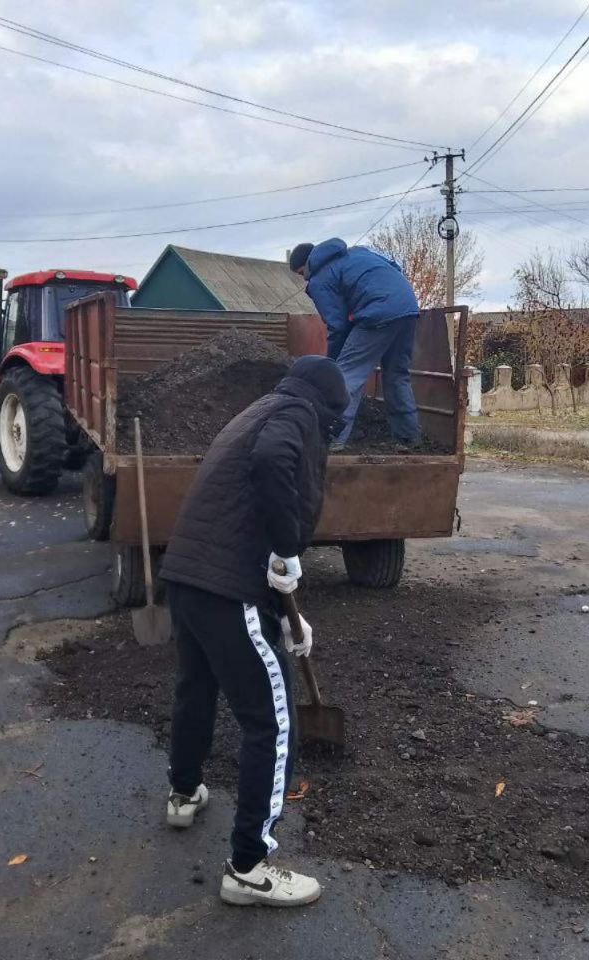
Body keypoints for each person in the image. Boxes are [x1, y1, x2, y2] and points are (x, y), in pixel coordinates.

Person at [159, 355, 349, 908]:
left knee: (196, 690)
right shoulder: (297, 416)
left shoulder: (258, 410)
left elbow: (243, 510)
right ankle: (248, 867)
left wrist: (289, 614)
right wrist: (288, 550)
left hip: (188, 577)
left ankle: (184, 793)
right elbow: (272, 463)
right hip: (226, 589)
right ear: (327, 406)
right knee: (272, 721)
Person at [288, 238, 422, 447]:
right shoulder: (359, 253)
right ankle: (408, 437)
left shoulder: (319, 278)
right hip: (408, 307)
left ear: (305, 265)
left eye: (300, 273)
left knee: (344, 377)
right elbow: (395, 268)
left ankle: (333, 440)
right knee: (397, 375)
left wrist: (332, 364)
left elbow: (337, 325)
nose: (303, 278)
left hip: (377, 311)